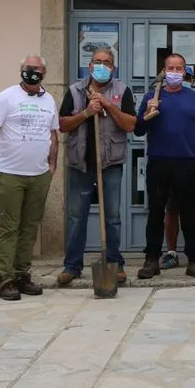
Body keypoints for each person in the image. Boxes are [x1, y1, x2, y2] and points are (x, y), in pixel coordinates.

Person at [0, 54, 58, 301]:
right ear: (21, 70)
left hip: (38, 175)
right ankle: (5, 278)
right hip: (11, 174)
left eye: (36, 69)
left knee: (30, 227)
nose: (31, 72)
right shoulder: (6, 97)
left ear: (44, 72)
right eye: (27, 68)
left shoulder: (49, 99)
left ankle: (22, 274)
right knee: (9, 228)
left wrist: (52, 165)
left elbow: (53, 135)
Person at [134, 53, 195, 280]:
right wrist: (147, 113)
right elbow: (138, 129)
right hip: (158, 162)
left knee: (188, 213)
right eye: (170, 68)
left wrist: (191, 140)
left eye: (178, 68)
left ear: (185, 72)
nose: (174, 72)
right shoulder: (153, 96)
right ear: (163, 71)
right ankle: (151, 260)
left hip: (186, 163)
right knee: (156, 212)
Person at [57, 49, 136, 287]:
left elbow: (131, 124)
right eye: (98, 62)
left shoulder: (122, 91)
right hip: (80, 163)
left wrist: (107, 106)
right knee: (76, 217)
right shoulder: (74, 91)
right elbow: (62, 124)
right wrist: (86, 112)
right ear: (90, 66)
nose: (103, 66)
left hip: (110, 162)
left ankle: (115, 263)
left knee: (112, 217)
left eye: (108, 63)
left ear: (114, 67)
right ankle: (72, 266)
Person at [161, 65, 195, 271]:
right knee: (171, 209)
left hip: (194, 164)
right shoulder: (161, 99)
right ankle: (171, 253)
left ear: (191, 80)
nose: (183, 80)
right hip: (168, 164)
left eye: (188, 77)